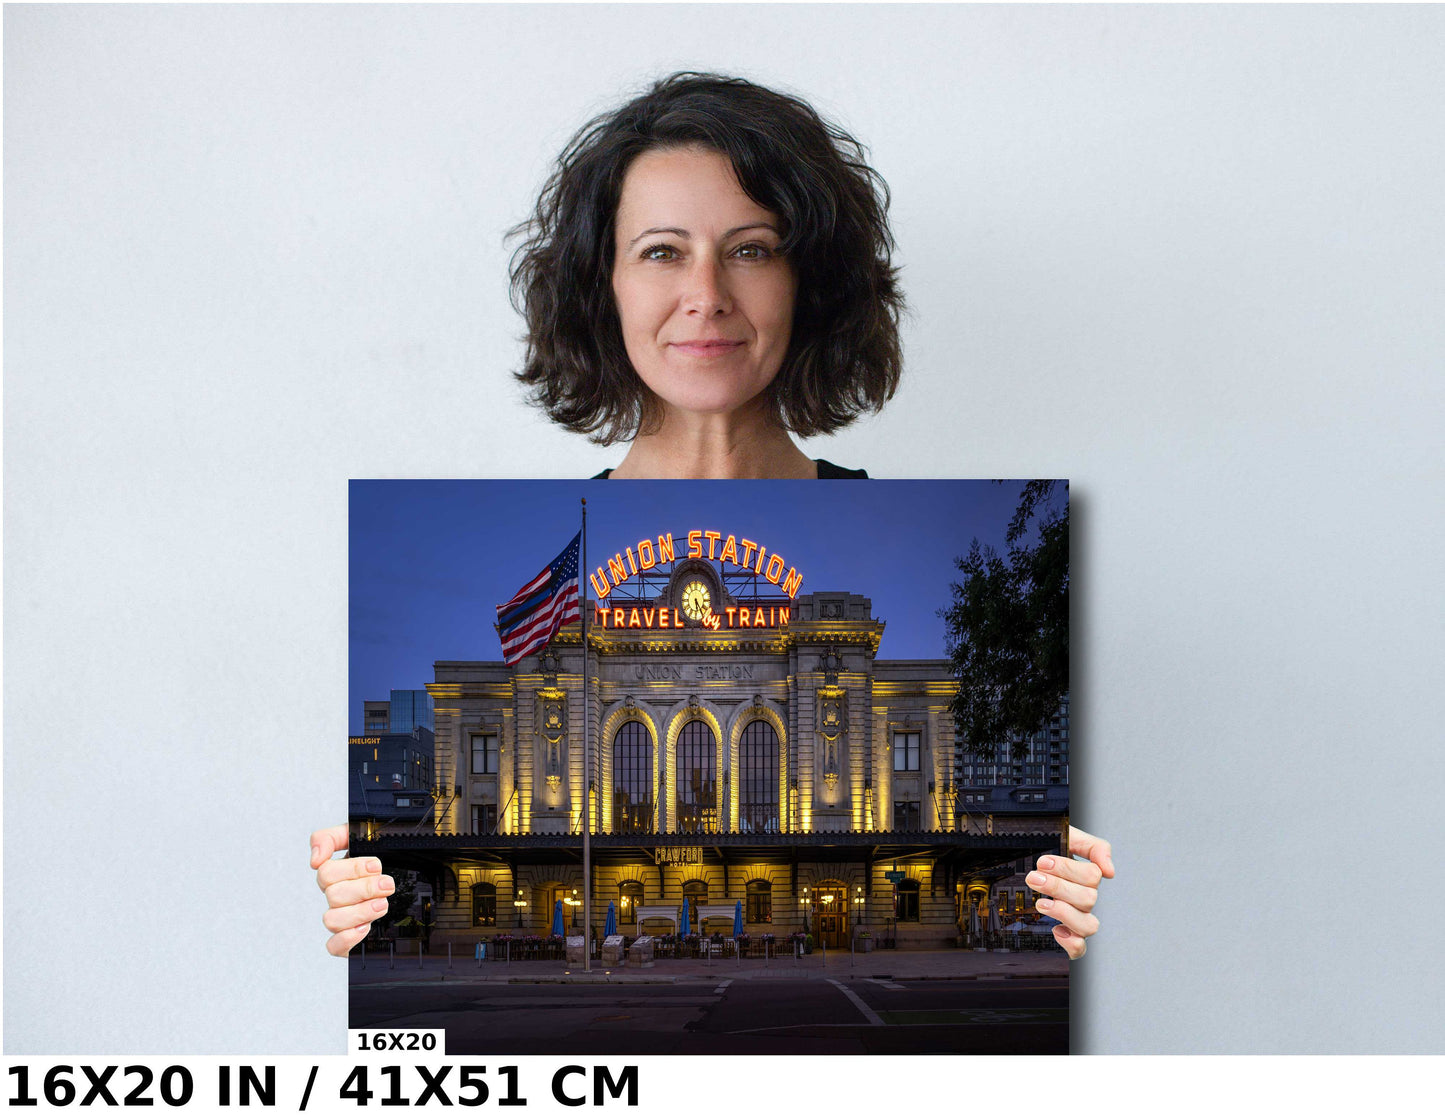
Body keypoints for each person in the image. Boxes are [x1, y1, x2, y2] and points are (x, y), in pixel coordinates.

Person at [312, 72, 1114, 959]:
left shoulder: (853, 613)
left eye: (752, 248)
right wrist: (339, 905)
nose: (707, 294)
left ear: (809, 283)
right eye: (661, 250)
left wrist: (1099, 907)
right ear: (601, 285)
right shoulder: (558, 606)